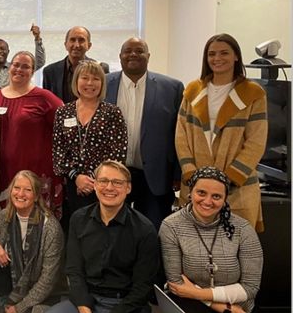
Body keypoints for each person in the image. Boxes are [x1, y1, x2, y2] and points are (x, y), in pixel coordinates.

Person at [44, 160, 160, 313]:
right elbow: (74, 270)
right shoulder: (79, 219)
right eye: (103, 181)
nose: (109, 187)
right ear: (95, 185)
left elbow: (143, 287)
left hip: (126, 307)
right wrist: (85, 312)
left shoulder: (145, 229)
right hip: (84, 301)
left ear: (128, 188)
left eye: (117, 182)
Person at [176, 33, 268, 232]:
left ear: (236, 56)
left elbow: (256, 142)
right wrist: (192, 173)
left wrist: (227, 180)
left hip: (237, 188)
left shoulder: (253, 93)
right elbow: (181, 136)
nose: (217, 58)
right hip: (196, 185)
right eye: (212, 54)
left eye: (224, 53)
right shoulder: (192, 90)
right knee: (193, 242)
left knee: (236, 243)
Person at [160, 167, 263, 313]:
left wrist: (195, 292)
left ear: (225, 199)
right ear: (190, 192)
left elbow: (250, 287)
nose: (208, 201)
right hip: (191, 304)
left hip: (241, 310)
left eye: (216, 196)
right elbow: (176, 284)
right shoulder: (171, 226)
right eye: (201, 193)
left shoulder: (243, 229)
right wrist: (226, 310)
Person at [106, 37, 184, 230]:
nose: (133, 54)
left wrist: (178, 173)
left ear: (148, 56)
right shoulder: (103, 84)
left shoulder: (172, 88)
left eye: (139, 51)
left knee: (152, 231)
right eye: (128, 51)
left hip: (156, 177)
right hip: (113, 176)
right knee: (113, 231)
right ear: (120, 56)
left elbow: (179, 133)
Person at [53, 60, 127, 228]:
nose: (90, 83)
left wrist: (94, 180)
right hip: (72, 186)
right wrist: (77, 177)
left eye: (95, 79)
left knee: (101, 231)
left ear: (102, 83)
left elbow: (118, 154)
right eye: (85, 78)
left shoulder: (112, 113)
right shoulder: (63, 112)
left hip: (105, 186)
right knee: (76, 230)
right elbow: (58, 152)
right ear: (76, 81)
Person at [0, 170, 65, 313]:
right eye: (17, 188)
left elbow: (48, 279)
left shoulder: (50, 227)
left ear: (36, 196)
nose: (20, 194)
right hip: (13, 282)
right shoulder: (4, 216)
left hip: (42, 289)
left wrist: (20, 308)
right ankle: (6, 298)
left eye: (28, 190)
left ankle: (18, 304)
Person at [0, 51, 63, 217]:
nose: (19, 69)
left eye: (25, 67)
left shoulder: (44, 97)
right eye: (16, 65)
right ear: (10, 67)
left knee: (37, 219)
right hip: (3, 169)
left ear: (32, 71)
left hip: (35, 170)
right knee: (7, 219)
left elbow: (65, 127)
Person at [43, 26, 94, 103]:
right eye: (72, 40)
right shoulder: (50, 72)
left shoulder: (100, 70)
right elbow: (47, 103)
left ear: (89, 46)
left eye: (81, 40)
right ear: (66, 45)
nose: (76, 45)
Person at [0, 24, 47, 88]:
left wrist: (37, 38)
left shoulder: (16, 68)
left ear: (8, 51)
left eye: (2, 49)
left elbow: (39, 62)